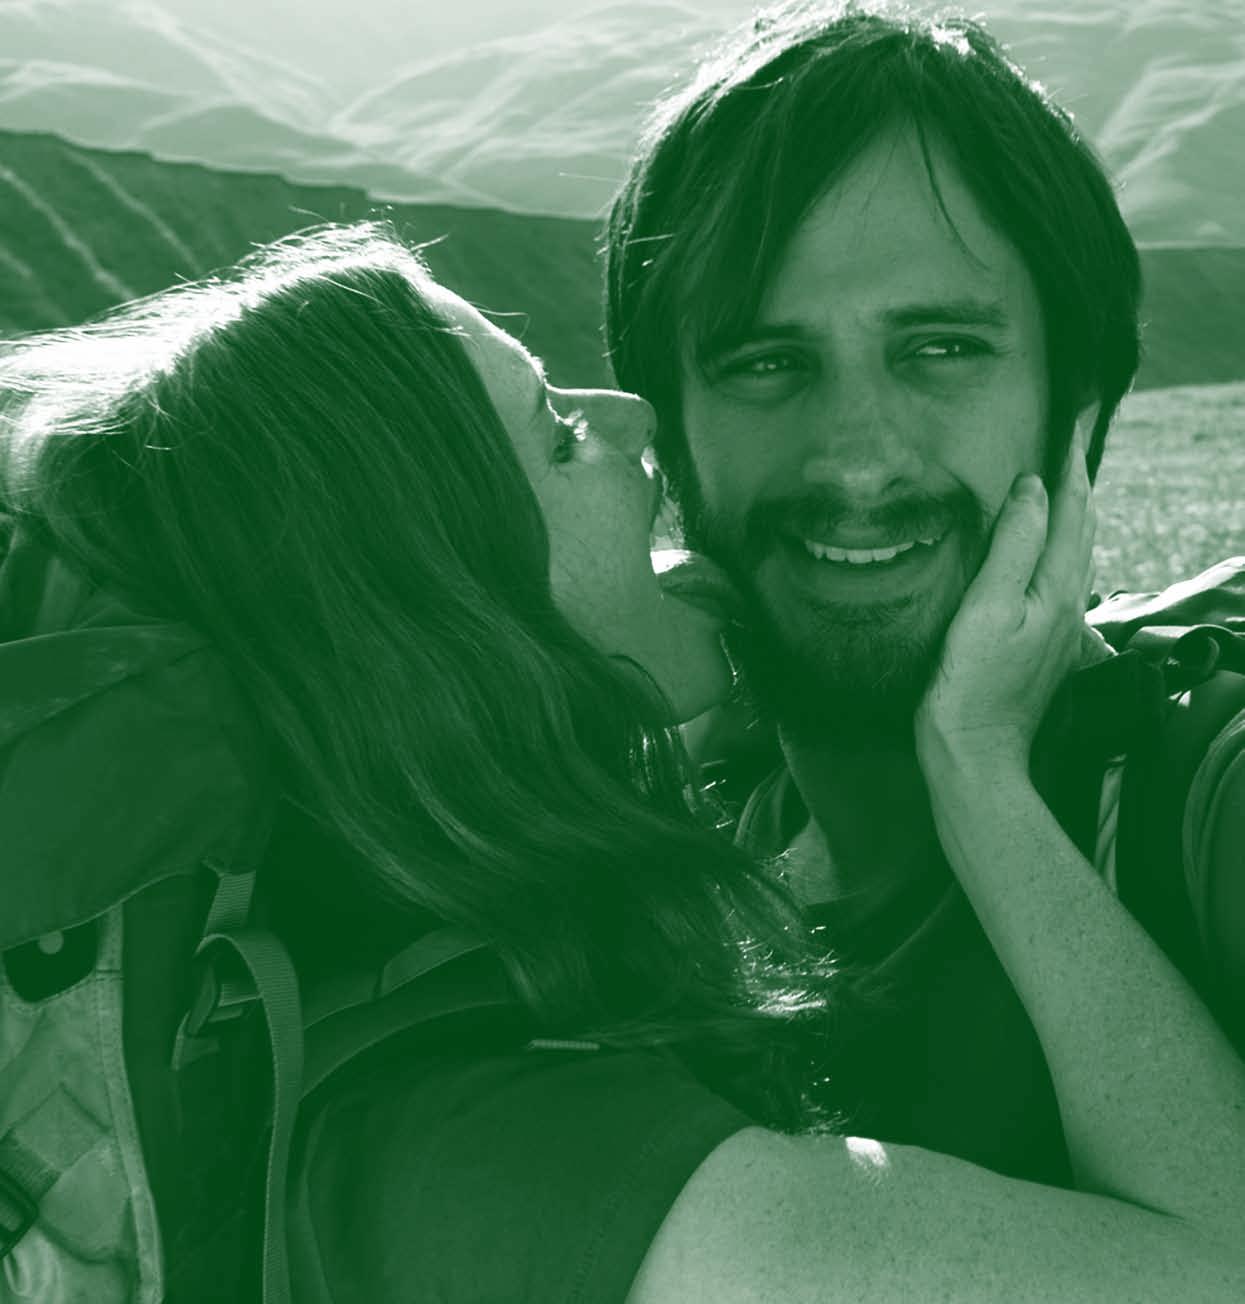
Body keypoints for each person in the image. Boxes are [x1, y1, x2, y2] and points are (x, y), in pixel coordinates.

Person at [2, 221, 1243, 1303]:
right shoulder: (506, 1167)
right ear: (452, 611)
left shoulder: (362, 970)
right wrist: (982, 770)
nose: (636, 418)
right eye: (557, 438)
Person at [605, 0, 1244, 1189]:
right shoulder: (676, 875)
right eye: (765, 361)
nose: (857, 461)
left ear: (1076, 405)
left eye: (940, 348)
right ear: (670, 437)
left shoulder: (1206, 811)